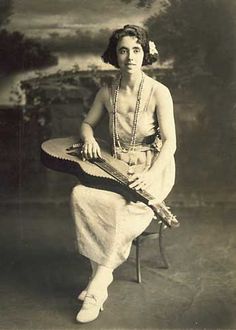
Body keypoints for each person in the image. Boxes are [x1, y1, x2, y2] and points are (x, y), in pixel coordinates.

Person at [71, 24, 178, 323]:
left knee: (122, 210)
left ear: (144, 54)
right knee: (80, 194)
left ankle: (98, 287)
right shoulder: (107, 92)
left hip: (152, 167)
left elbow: (170, 143)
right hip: (115, 167)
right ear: (114, 56)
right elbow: (86, 124)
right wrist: (89, 137)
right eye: (123, 50)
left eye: (136, 50)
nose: (130, 57)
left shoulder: (159, 92)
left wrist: (150, 176)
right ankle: (99, 279)